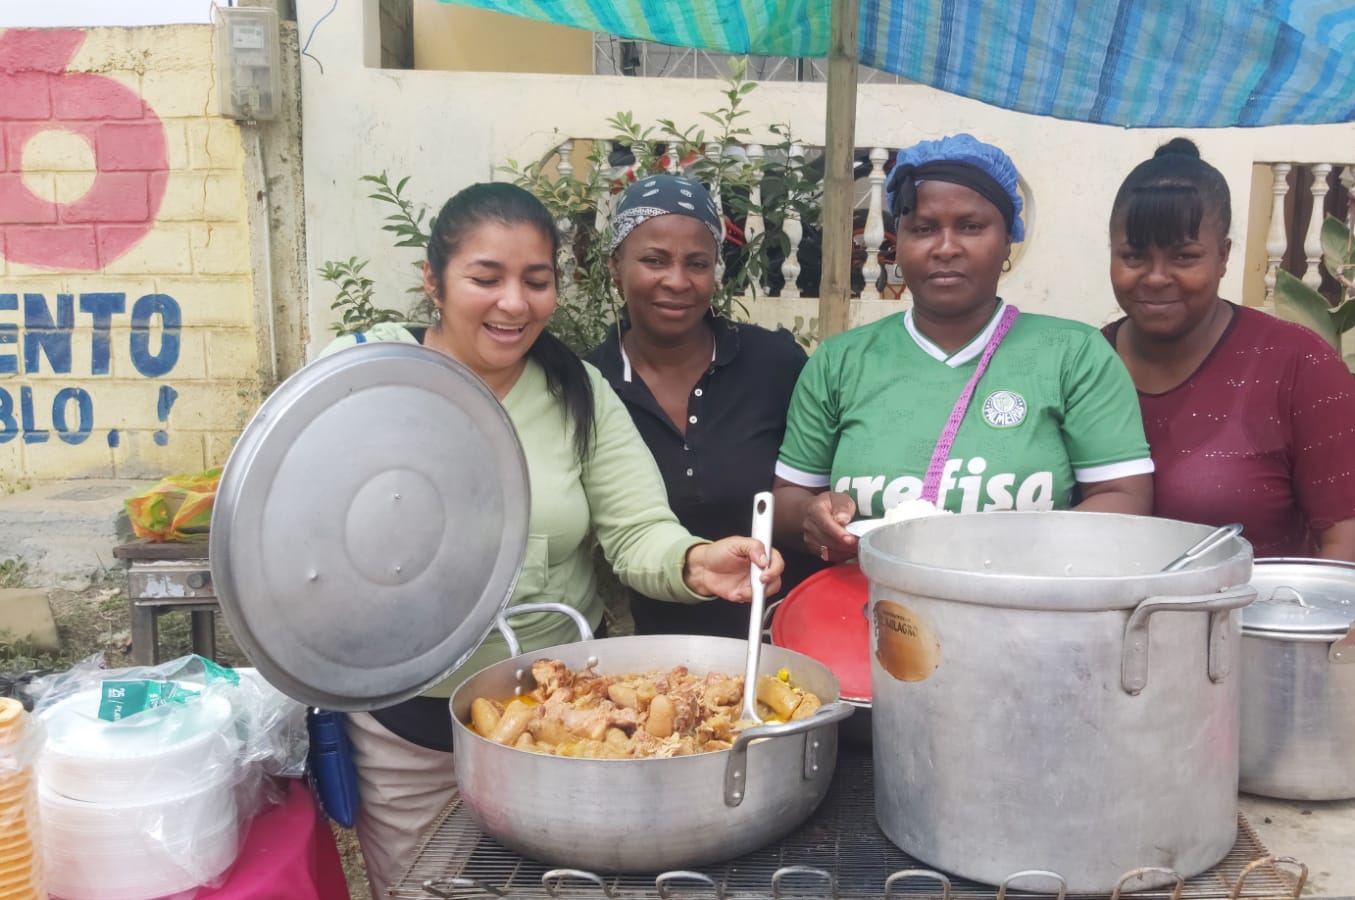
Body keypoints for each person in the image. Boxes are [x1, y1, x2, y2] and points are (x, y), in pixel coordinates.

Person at [322, 182, 784, 895]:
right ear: (432, 281)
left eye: (536, 282)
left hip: (560, 719)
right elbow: (295, 521)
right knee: (424, 886)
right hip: (406, 716)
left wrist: (694, 562)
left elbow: (637, 529)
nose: (514, 303)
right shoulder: (366, 373)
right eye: (486, 278)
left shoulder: (579, 390)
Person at [774, 134, 1154, 563]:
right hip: (867, 600)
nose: (946, 248)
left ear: (1008, 239)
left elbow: (1123, 496)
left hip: (1027, 596)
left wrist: (1015, 552)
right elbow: (789, 496)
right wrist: (811, 515)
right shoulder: (840, 362)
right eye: (923, 229)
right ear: (899, 242)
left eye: (971, 227)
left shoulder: (1073, 355)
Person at [1103, 138, 1355, 563]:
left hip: (1259, 606)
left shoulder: (1298, 365)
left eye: (1184, 257)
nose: (1157, 277)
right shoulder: (1082, 365)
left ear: (1223, 256)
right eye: (1133, 256)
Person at [587, 174, 817, 636]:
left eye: (697, 263)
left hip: (788, 637)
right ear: (615, 267)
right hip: (665, 656)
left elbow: (813, 487)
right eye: (654, 260)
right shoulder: (591, 387)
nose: (676, 281)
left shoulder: (774, 364)